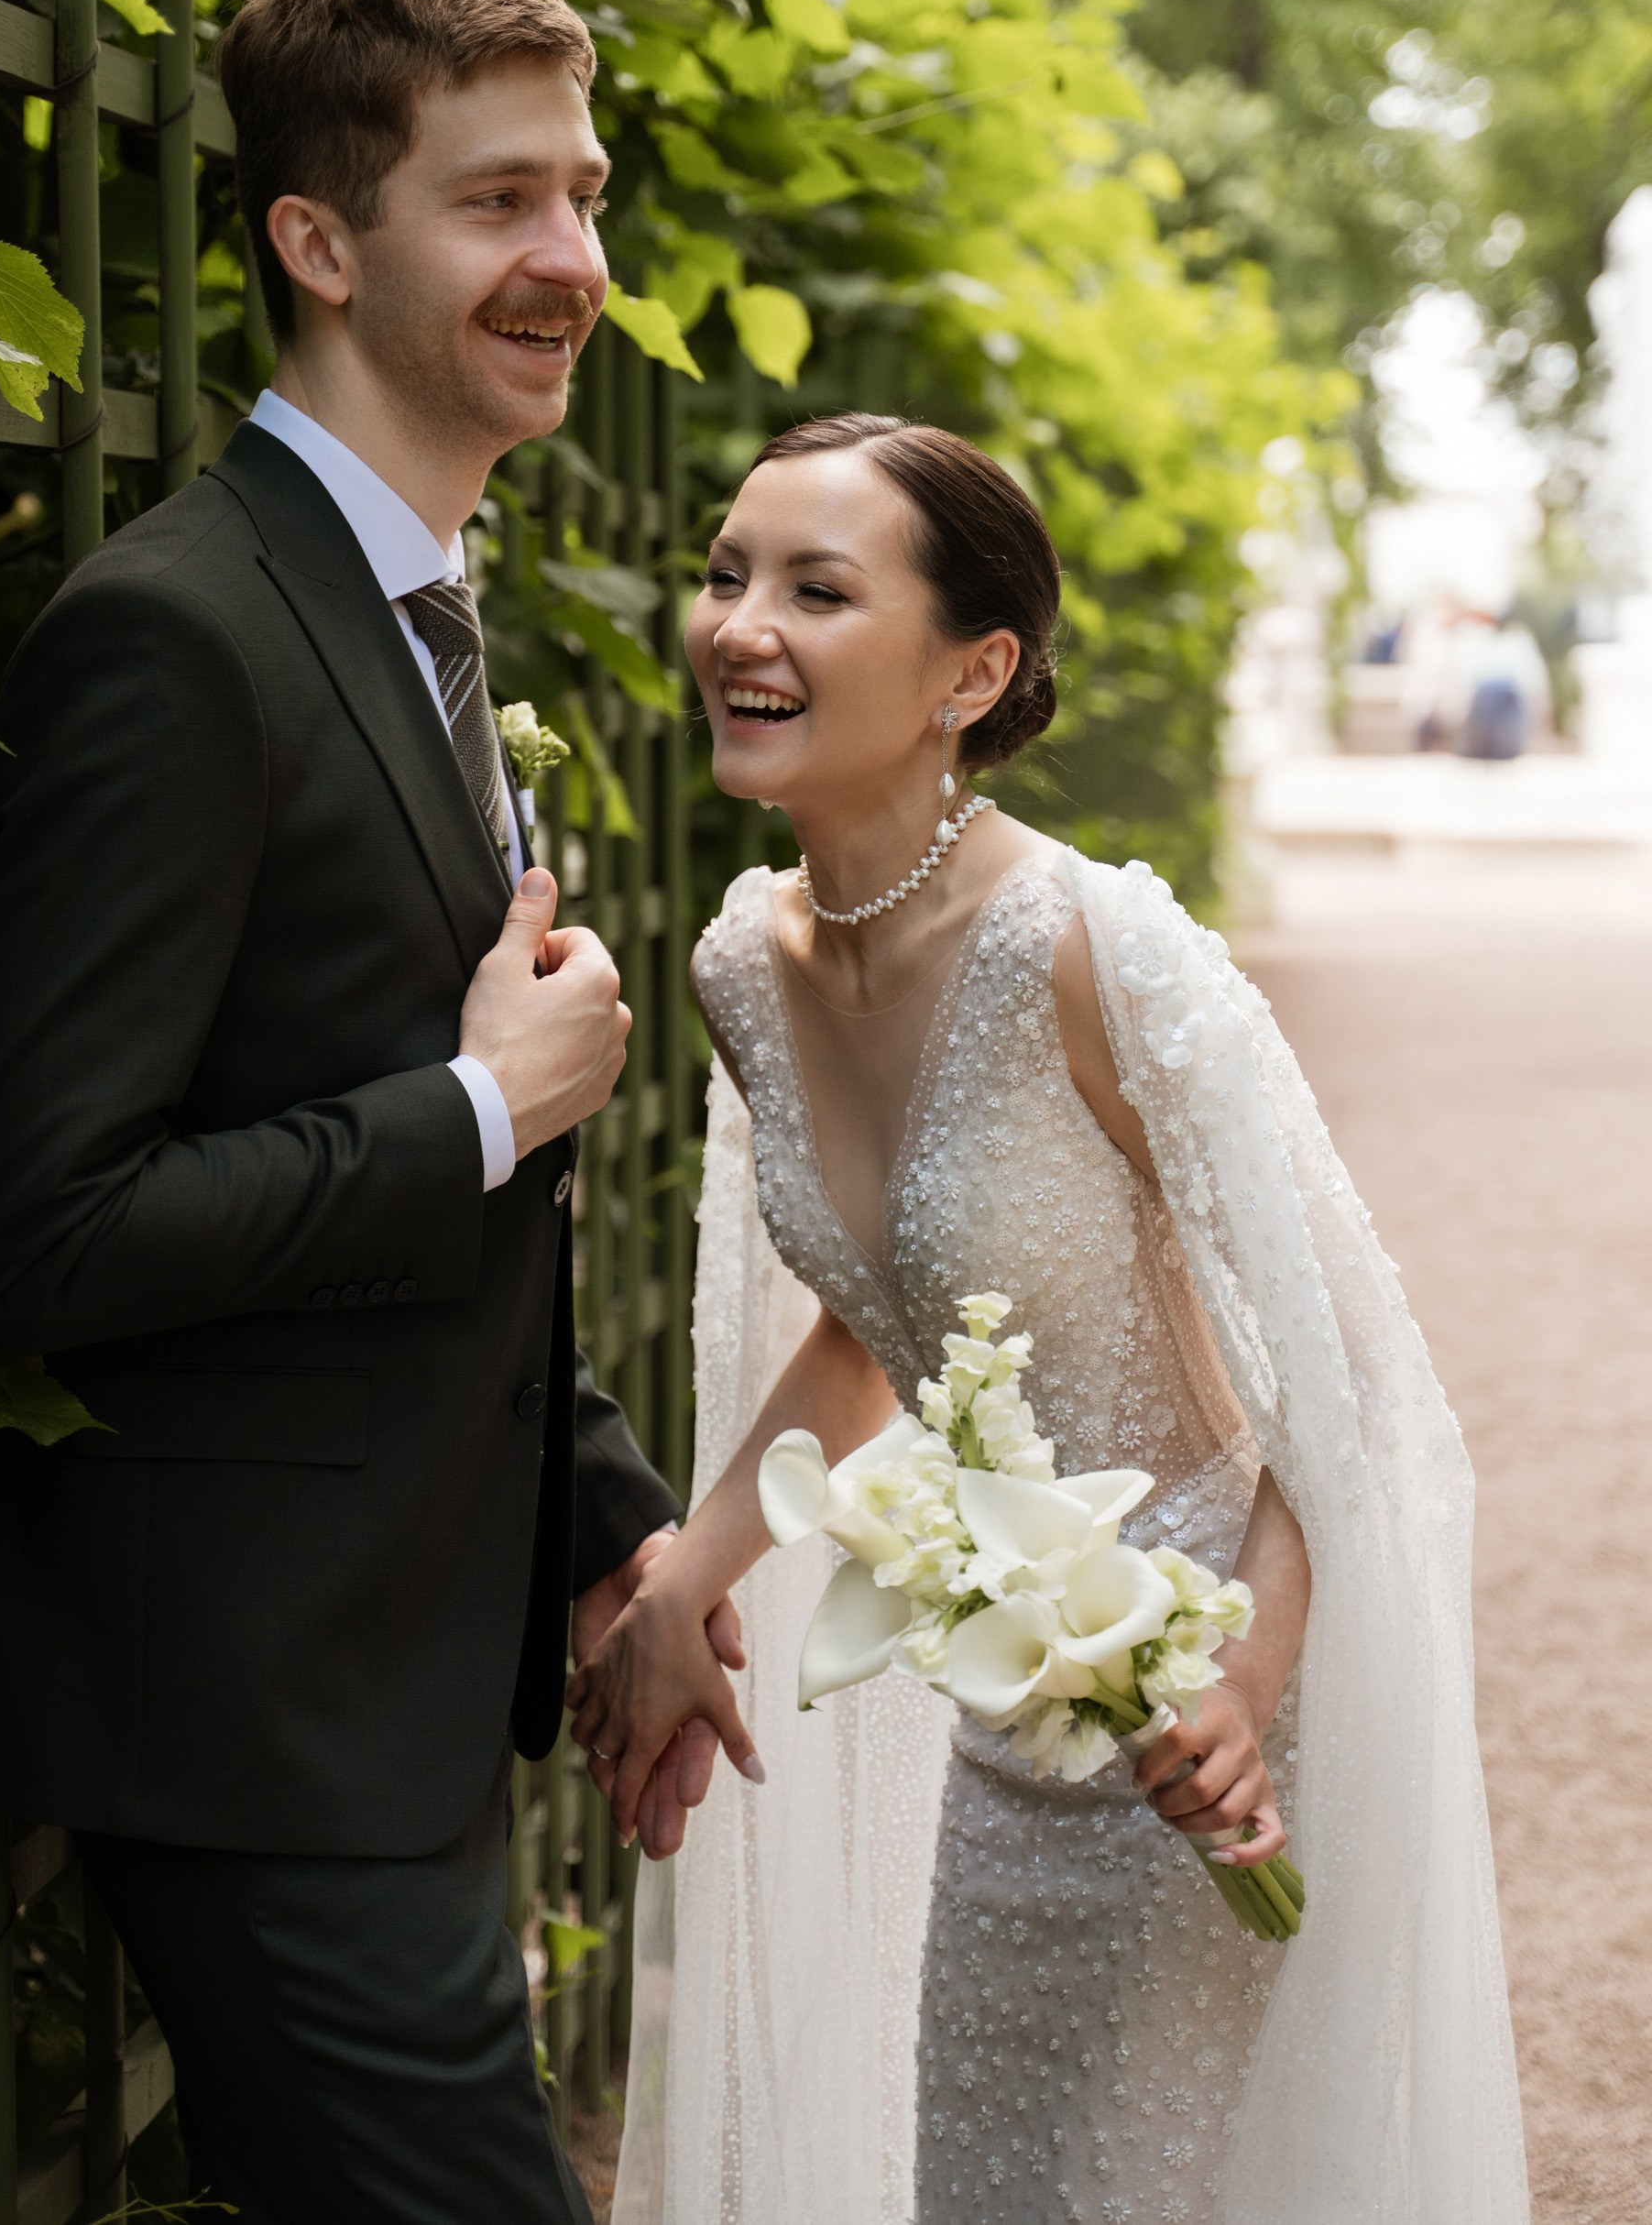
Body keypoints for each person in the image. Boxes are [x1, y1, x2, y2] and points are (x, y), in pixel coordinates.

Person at [0, 0, 729, 2225]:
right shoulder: (178, 635)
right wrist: (477, 1111)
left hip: (383, 1675)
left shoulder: (409, 606)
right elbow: (43, 1230)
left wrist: (601, 1518)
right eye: (496, 204)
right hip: (242, 1715)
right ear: (315, 236)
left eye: (581, 195)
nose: (570, 261)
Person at [572, 416, 1530, 2225]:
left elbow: (1349, 1386)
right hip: (1013, 1688)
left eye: (815, 587)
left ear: (972, 670)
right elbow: (887, 1317)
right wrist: (680, 1583)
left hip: (1201, 1671)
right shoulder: (738, 971)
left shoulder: (1097, 950)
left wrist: (1239, 1689)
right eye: (724, 573)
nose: (738, 625)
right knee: (988, 2180)